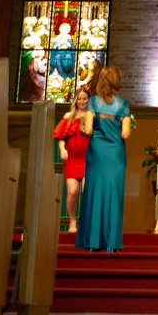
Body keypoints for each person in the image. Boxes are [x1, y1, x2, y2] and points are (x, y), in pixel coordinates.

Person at [75, 65, 132, 252]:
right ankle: (111, 243)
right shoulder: (124, 105)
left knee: (94, 193)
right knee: (113, 195)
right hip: (115, 154)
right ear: (117, 82)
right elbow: (125, 134)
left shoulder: (92, 102)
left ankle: (93, 242)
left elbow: (89, 130)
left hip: (97, 152)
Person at [54, 86, 92, 233]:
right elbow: (61, 138)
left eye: (85, 99)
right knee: (72, 191)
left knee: (86, 190)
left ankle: (86, 221)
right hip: (72, 159)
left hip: (88, 159)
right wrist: (62, 149)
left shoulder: (92, 116)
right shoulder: (68, 116)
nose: (82, 102)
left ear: (89, 100)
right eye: (80, 99)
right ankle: (72, 221)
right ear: (76, 101)